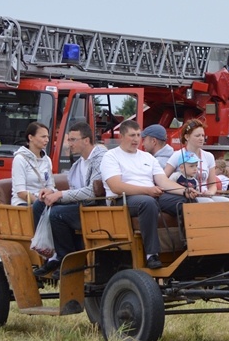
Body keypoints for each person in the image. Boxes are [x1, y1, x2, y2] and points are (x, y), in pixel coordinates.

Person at [101, 120, 196, 269]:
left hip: (150, 195)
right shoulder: (110, 156)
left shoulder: (148, 157)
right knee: (147, 202)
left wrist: (184, 190)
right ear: (122, 136)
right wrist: (148, 190)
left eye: (138, 135)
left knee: (186, 201)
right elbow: (116, 186)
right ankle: (151, 254)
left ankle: (191, 247)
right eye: (132, 135)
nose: (136, 139)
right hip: (123, 199)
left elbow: (163, 181)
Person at [33, 122, 107, 279]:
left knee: (57, 214)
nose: (69, 144)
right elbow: (75, 190)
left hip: (96, 207)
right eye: (69, 140)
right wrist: (52, 192)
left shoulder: (100, 158)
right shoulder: (79, 164)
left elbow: (92, 192)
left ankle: (68, 259)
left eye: (73, 140)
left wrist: (59, 195)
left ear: (86, 140)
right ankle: (51, 255)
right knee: (40, 204)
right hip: (81, 205)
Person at [165, 119, 229, 202]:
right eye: (197, 136)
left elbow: (213, 184)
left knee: (227, 202)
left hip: (204, 195)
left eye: (203, 135)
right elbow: (164, 178)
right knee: (208, 203)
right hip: (186, 196)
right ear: (187, 137)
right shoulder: (177, 155)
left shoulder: (209, 156)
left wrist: (210, 192)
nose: (201, 138)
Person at [11, 122, 54, 228]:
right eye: (43, 136)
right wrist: (41, 202)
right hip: (24, 202)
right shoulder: (20, 159)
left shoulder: (47, 160)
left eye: (47, 137)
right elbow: (21, 192)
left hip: (42, 202)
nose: (47, 140)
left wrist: (50, 196)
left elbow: (51, 186)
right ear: (30, 137)